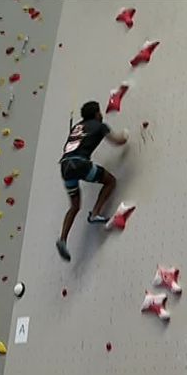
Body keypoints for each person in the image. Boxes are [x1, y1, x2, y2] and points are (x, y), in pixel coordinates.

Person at [55, 101, 128, 261]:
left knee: (74, 206)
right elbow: (117, 141)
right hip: (79, 164)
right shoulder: (99, 126)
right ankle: (95, 213)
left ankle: (62, 239)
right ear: (96, 114)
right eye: (99, 112)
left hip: (65, 167)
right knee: (110, 181)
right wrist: (125, 136)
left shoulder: (77, 127)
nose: (101, 115)